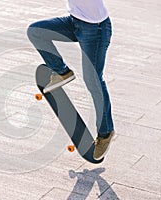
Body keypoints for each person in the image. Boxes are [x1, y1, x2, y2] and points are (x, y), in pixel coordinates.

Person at [27, 0, 115, 159]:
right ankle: (62, 71)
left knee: (93, 80)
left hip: (96, 29)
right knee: (36, 31)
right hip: (75, 22)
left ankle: (106, 132)